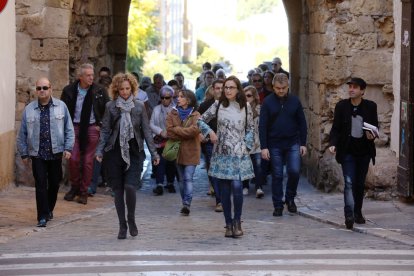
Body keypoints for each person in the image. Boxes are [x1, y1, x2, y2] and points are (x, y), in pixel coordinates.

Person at [96, 72, 160, 239]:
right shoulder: (111, 106)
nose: (124, 92)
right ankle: (122, 225)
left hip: (134, 151)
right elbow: (104, 130)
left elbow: (146, 131)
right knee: (118, 190)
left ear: (132, 88)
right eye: (121, 89)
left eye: (127, 88)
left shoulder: (139, 107)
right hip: (114, 151)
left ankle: (131, 219)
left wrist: (153, 153)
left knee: (130, 187)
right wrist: (99, 150)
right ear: (116, 89)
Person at [198, 76, 254, 238]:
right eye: (226, 88)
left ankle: (237, 221)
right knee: (224, 190)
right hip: (221, 153)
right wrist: (209, 132)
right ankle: (228, 224)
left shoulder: (246, 107)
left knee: (237, 187)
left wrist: (246, 145)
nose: (228, 90)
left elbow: (251, 128)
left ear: (238, 90)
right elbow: (199, 120)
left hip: (238, 153)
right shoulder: (217, 105)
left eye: (231, 87)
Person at [17, 77, 75, 227]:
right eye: (39, 88)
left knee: (55, 183)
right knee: (41, 184)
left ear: (50, 88)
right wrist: (24, 153)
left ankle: (49, 209)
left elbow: (69, 129)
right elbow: (22, 133)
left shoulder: (61, 106)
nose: (42, 91)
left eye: (44, 88)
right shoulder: (29, 109)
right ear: (36, 90)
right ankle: (42, 216)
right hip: (37, 154)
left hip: (56, 152)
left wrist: (68, 148)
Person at [329, 77, 378, 230]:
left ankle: (357, 212)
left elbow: (375, 127)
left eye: (355, 87)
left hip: (364, 152)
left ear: (362, 91)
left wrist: (372, 135)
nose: (351, 89)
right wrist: (333, 144)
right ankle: (349, 215)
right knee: (349, 183)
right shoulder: (342, 106)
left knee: (359, 184)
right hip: (347, 151)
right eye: (350, 87)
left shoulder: (370, 106)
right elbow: (336, 128)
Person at [259, 73, 307, 217]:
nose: (280, 91)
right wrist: (264, 147)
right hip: (274, 144)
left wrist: (303, 143)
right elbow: (262, 125)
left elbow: (302, 123)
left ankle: (290, 198)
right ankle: (278, 205)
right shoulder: (267, 102)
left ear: (288, 87)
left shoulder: (295, 101)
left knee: (294, 171)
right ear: (273, 87)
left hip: (293, 142)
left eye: (283, 88)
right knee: (277, 175)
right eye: (278, 88)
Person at [61, 63, 110, 205]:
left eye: (92, 75)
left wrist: (100, 126)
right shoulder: (69, 90)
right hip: (73, 127)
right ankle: (74, 187)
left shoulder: (99, 90)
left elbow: (107, 110)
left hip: (92, 128)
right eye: (88, 75)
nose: (91, 77)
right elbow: (62, 110)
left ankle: (84, 191)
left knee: (88, 162)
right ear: (80, 77)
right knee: (73, 158)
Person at [166, 89, 201, 216]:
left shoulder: (196, 115)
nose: (178, 98)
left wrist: (177, 130)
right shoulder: (172, 113)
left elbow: (195, 130)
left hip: (192, 150)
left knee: (188, 178)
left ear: (189, 100)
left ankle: (187, 204)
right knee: (181, 179)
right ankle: (184, 202)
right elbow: (169, 131)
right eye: (178, 96)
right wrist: (183, 132)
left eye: (181, 96)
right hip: (177, 151)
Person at [198, 79, 225, 212]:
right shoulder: (205, 105)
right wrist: (202, 134)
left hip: (227, 143)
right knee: (213, 170)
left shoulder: (231, 105)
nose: (220, 90)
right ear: (213, 89)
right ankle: (219, 200)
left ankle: (224, 197)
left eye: (222, 88)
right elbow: (198, 121)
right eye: (217, 88)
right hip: (210, 142)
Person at [150, 85, 177, 195]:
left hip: (172, 140)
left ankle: (170, 183)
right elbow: (151, 123)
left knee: (171, 162)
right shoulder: (156, 109)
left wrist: (171, 132)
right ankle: (159, 184)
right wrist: (160, 131)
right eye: (162, 97)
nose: (165, 100)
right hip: (159, 140)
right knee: (160, 161)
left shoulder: (176, 109)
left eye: (167, 97)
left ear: (171, 98)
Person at [242, 85, 264, 198]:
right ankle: (245, 186)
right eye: (244, 96)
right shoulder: (240, 110)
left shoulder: (260, 109)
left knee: (258, 165)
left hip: (257, 142)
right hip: (244, 142)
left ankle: (259, 187)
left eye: (249, 96)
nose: (247, 98)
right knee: (245, 165)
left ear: (254, 97)